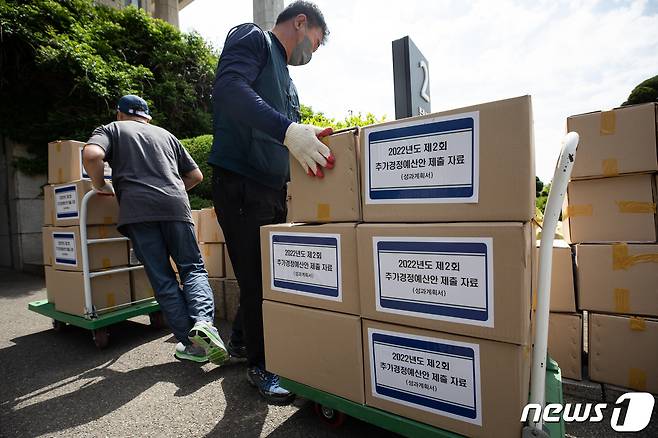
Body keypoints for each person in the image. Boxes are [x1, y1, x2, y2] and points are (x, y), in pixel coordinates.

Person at [210, 1, 332, 403]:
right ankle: (262, 367)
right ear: (300, 22)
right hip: (241, 183)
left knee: (262, 274)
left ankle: (242, 342)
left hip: (270, 189)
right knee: (259, 279)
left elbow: (288, 129)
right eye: (313, 44)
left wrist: (301, 137)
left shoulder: (289, 82)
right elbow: (229, 90)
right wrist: (287, 131)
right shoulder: (252, 38)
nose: (310, 55)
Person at [83, 94, 229, 365]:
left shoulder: (111, 129)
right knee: (192, 267)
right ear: (147, 117)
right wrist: (171, 192)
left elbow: (92, 155)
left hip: (138, 213)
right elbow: (196, 176)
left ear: (120, 114)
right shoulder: (167, 136)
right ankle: (204, 324)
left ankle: (192, 344)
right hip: (175, 207)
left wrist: (99, 185)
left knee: (163, 278)